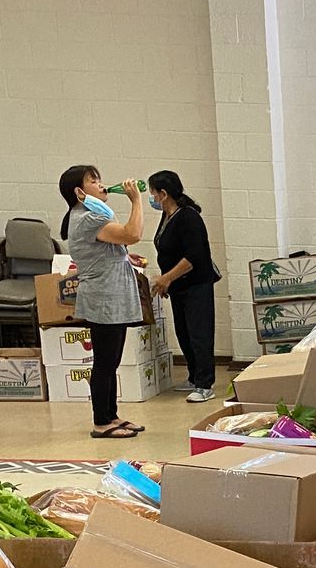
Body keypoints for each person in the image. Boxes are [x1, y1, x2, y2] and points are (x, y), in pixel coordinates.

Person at [58, 164, 147, 439]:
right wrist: (136, 200)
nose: (101, 185)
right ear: (79, 192)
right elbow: (133, 234)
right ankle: (101, 422)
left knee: (112, 360)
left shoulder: (90, 215)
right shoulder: (88, 218)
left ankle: (111, 415)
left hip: (112, 296)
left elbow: (108, 246)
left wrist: (122, 255)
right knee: (105, 363)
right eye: (93, 181)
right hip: (103, 299)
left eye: (99, 180)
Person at [147, 169, 220, 403]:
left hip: (196, 284)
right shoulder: (167, 216)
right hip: (177, 286)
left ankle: (205, 384)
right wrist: (167, 280)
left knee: (199, 333)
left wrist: (167, 277)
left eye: (152, 193)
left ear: (163, 193)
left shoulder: (188, 217)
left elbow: (193, 256)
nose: (151, 197)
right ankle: (193, 375)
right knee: (184, 332)